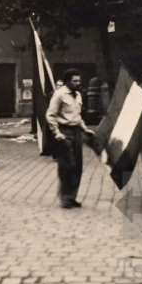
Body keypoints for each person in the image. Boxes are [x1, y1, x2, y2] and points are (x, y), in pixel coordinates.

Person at [46, 69, 95, 209]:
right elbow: (50, 115)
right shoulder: (59, 94)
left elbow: (77, 117)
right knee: (67, 165)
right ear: (67, 81)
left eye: (79, 80)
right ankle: (65, 197)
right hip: (64, 132)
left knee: (77, 166)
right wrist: (56, 133)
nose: (78, 83)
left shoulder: (78, 94)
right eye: (75, 81)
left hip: (76, 133)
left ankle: (72, 197)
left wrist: (85, 130)